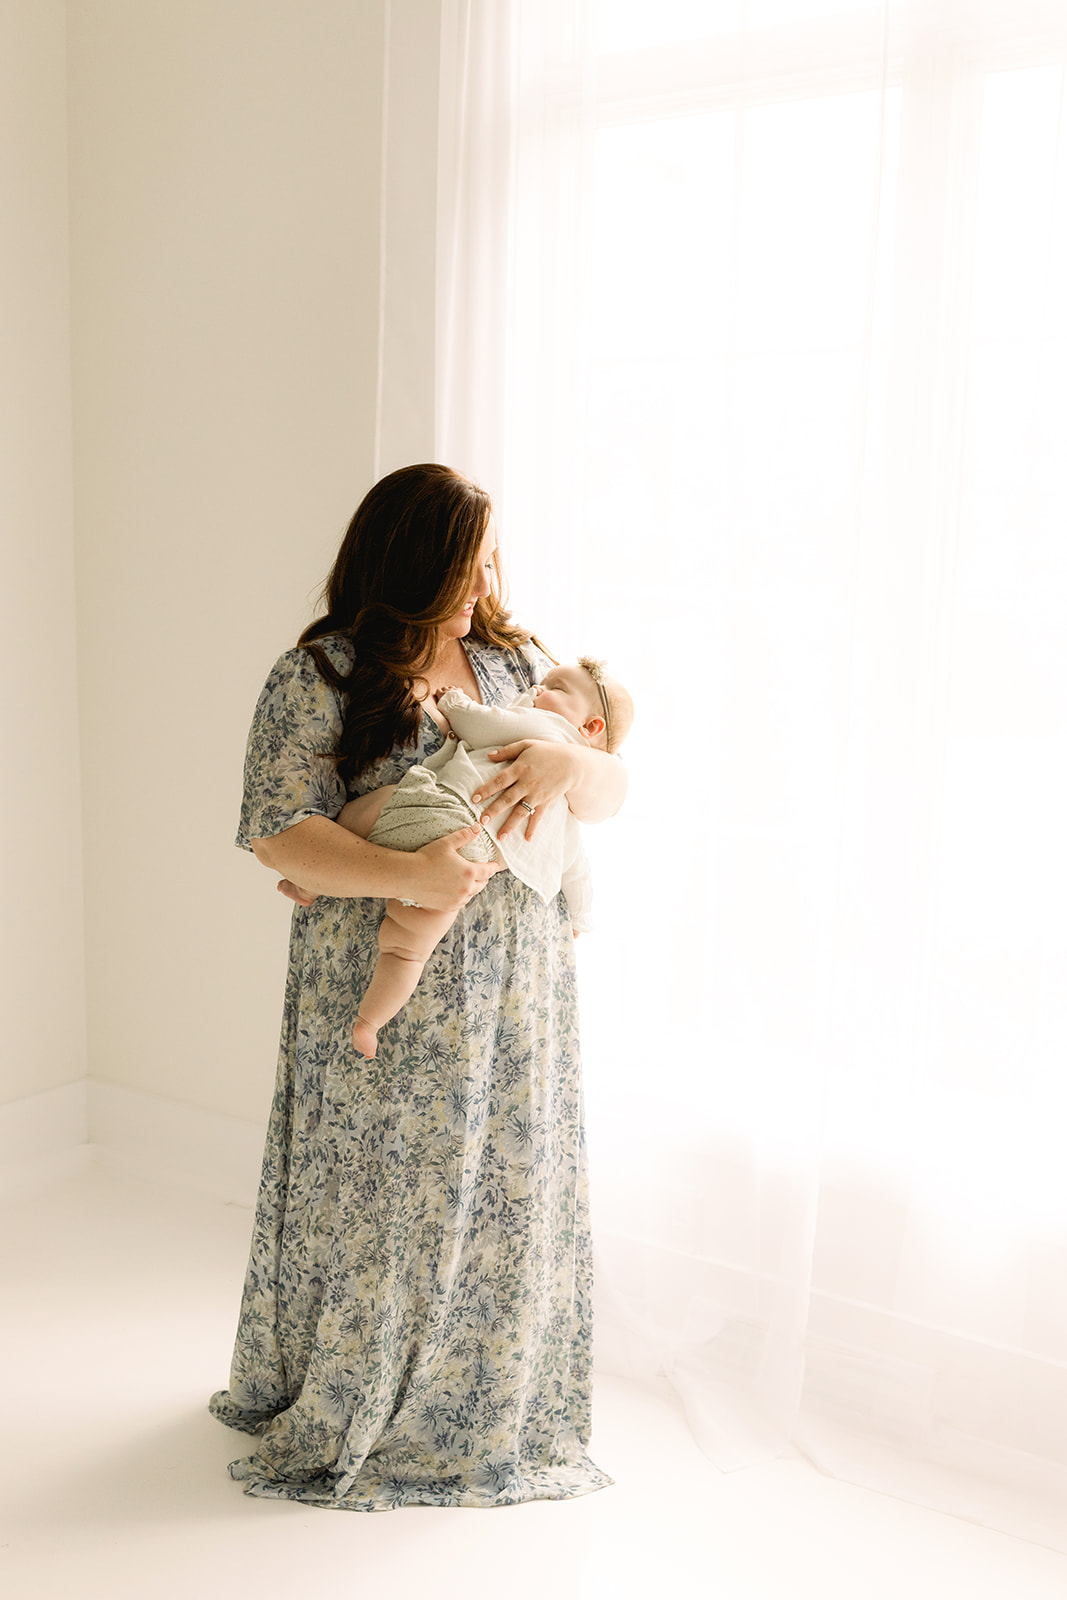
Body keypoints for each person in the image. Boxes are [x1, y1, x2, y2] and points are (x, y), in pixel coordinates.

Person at [209, 463, 628, 1510]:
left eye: (492, 551)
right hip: (385, 974)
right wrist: (409, 873)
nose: (487, 570)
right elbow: (276, 828)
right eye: (469, 552)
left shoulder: (517, 662)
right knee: (381, 1196)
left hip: (514, 989)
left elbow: (608, 777)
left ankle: (481, 1404)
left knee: (501, 1191)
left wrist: (571, 771)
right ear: (413, 556)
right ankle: (362, 1396)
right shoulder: (321, 671)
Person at [276, 659, 634, 1060]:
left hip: (442, 808)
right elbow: (576, 868)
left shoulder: (549, 730)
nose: (536, 688)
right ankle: (370, 1022)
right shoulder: (564, 808)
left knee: (364, 813)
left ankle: (307, 881)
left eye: (554, 687)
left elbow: (483, 725)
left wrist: (456, 703)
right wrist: (581, 918)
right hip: (472, 856)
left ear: (590, 727)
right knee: (408, 946)